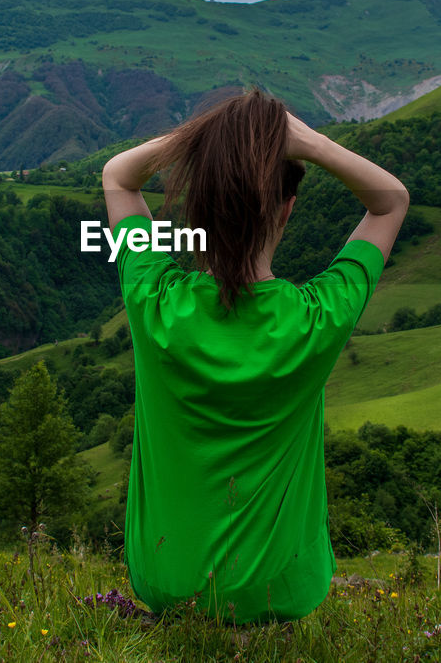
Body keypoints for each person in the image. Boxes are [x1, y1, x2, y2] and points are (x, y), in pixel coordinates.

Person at [102, 86, 408, 622]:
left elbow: (119, 176)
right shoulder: (319, 318)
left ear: (200, 208)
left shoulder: (155, 302)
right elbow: (390, 200)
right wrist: (310, 143)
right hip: (279, 593)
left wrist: (209, 137)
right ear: (288, 210)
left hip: (164, 584)